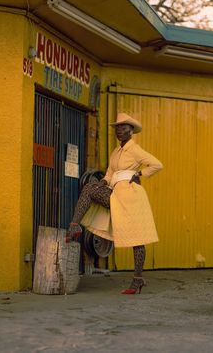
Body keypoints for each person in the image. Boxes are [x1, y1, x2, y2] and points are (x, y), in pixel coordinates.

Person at [68, 113, 163, 294]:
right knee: (90, 188)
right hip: (115, 193)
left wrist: (139, 175)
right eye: (117, 128)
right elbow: (110, 174)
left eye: (123, 128)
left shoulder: (135, 150)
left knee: (138, 239)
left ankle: (137, 280)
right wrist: (102, 182)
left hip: (132, 197)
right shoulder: (116, 151)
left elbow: (157, 164)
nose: (119, 131)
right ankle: (75, 225)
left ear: (131, 131)